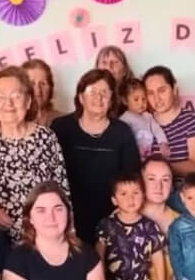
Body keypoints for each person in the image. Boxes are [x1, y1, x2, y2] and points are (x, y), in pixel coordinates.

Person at [0, 68, 69, 242]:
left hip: (40, 240)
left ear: (28, 101)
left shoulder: (45, 137)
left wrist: (66, 236)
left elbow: (62, 191)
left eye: (16, 96)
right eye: (1, 97)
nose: (9, 104)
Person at [52, 69, 141, 245]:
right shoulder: (61, 127)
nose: (98, 97)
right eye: (93, 92)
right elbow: (50, 172)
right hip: (67, 217)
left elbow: (132, 176)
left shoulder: (121, 131)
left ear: (111, 100)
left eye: (104, 93)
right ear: (80, 97)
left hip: (111, 218)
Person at [143, 66, 195, 180]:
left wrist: (157, 170)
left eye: (162, 90)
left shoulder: (192, 120)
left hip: (184, 194)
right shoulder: (143, 124)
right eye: (150, 93)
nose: (157, 98)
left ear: (174, 89)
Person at [118, 77, 169, 159]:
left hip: (147, 156)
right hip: (131, 158)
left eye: (144, 99)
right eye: (136, 99)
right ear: (125, 101)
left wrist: (163, 142)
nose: (141, 103)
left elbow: (157, 130)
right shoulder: (124, 119)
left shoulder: (148, 116)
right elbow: (122, 141)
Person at [22, 59, 63, 127]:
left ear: (51, 87)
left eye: (43, 83)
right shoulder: (13, 123)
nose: (38, 89)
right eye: (32, 83)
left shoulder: (65, 121)